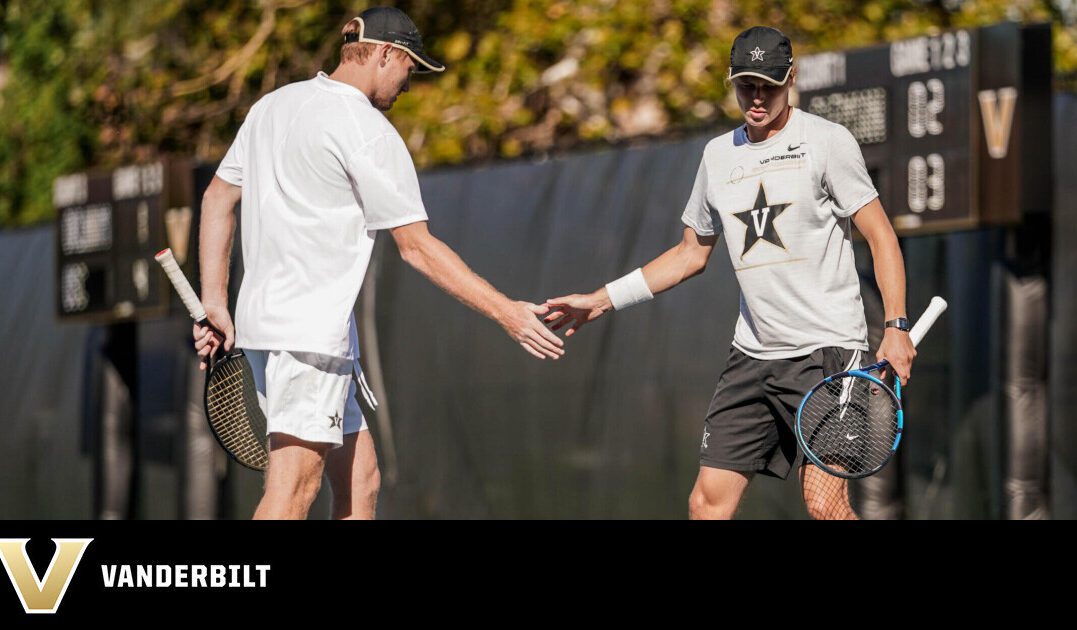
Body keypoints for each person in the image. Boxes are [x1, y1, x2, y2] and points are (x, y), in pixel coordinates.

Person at [194, 7, 565, 520]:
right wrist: (508, 313)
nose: (408, 87)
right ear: (387, 55)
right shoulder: (367, 129)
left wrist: (215, 301)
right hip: (309, 337)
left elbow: (217, 198)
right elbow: (417, 247)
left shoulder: (271, 106)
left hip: (270, 328)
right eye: (410, 69)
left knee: (361, 480)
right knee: (292, 492)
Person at [543, 26, 915, 520]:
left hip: (825, 353)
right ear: (731, 80)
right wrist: (601, 299)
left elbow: (882, 235)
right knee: (706, 505)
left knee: (824, 507)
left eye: (768, 85)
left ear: (791, 79)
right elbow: (688, 254)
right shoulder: (718, 156)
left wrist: (895, 327)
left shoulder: (828, 142)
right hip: (752, 359)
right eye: (746, 85)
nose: (757, 98)